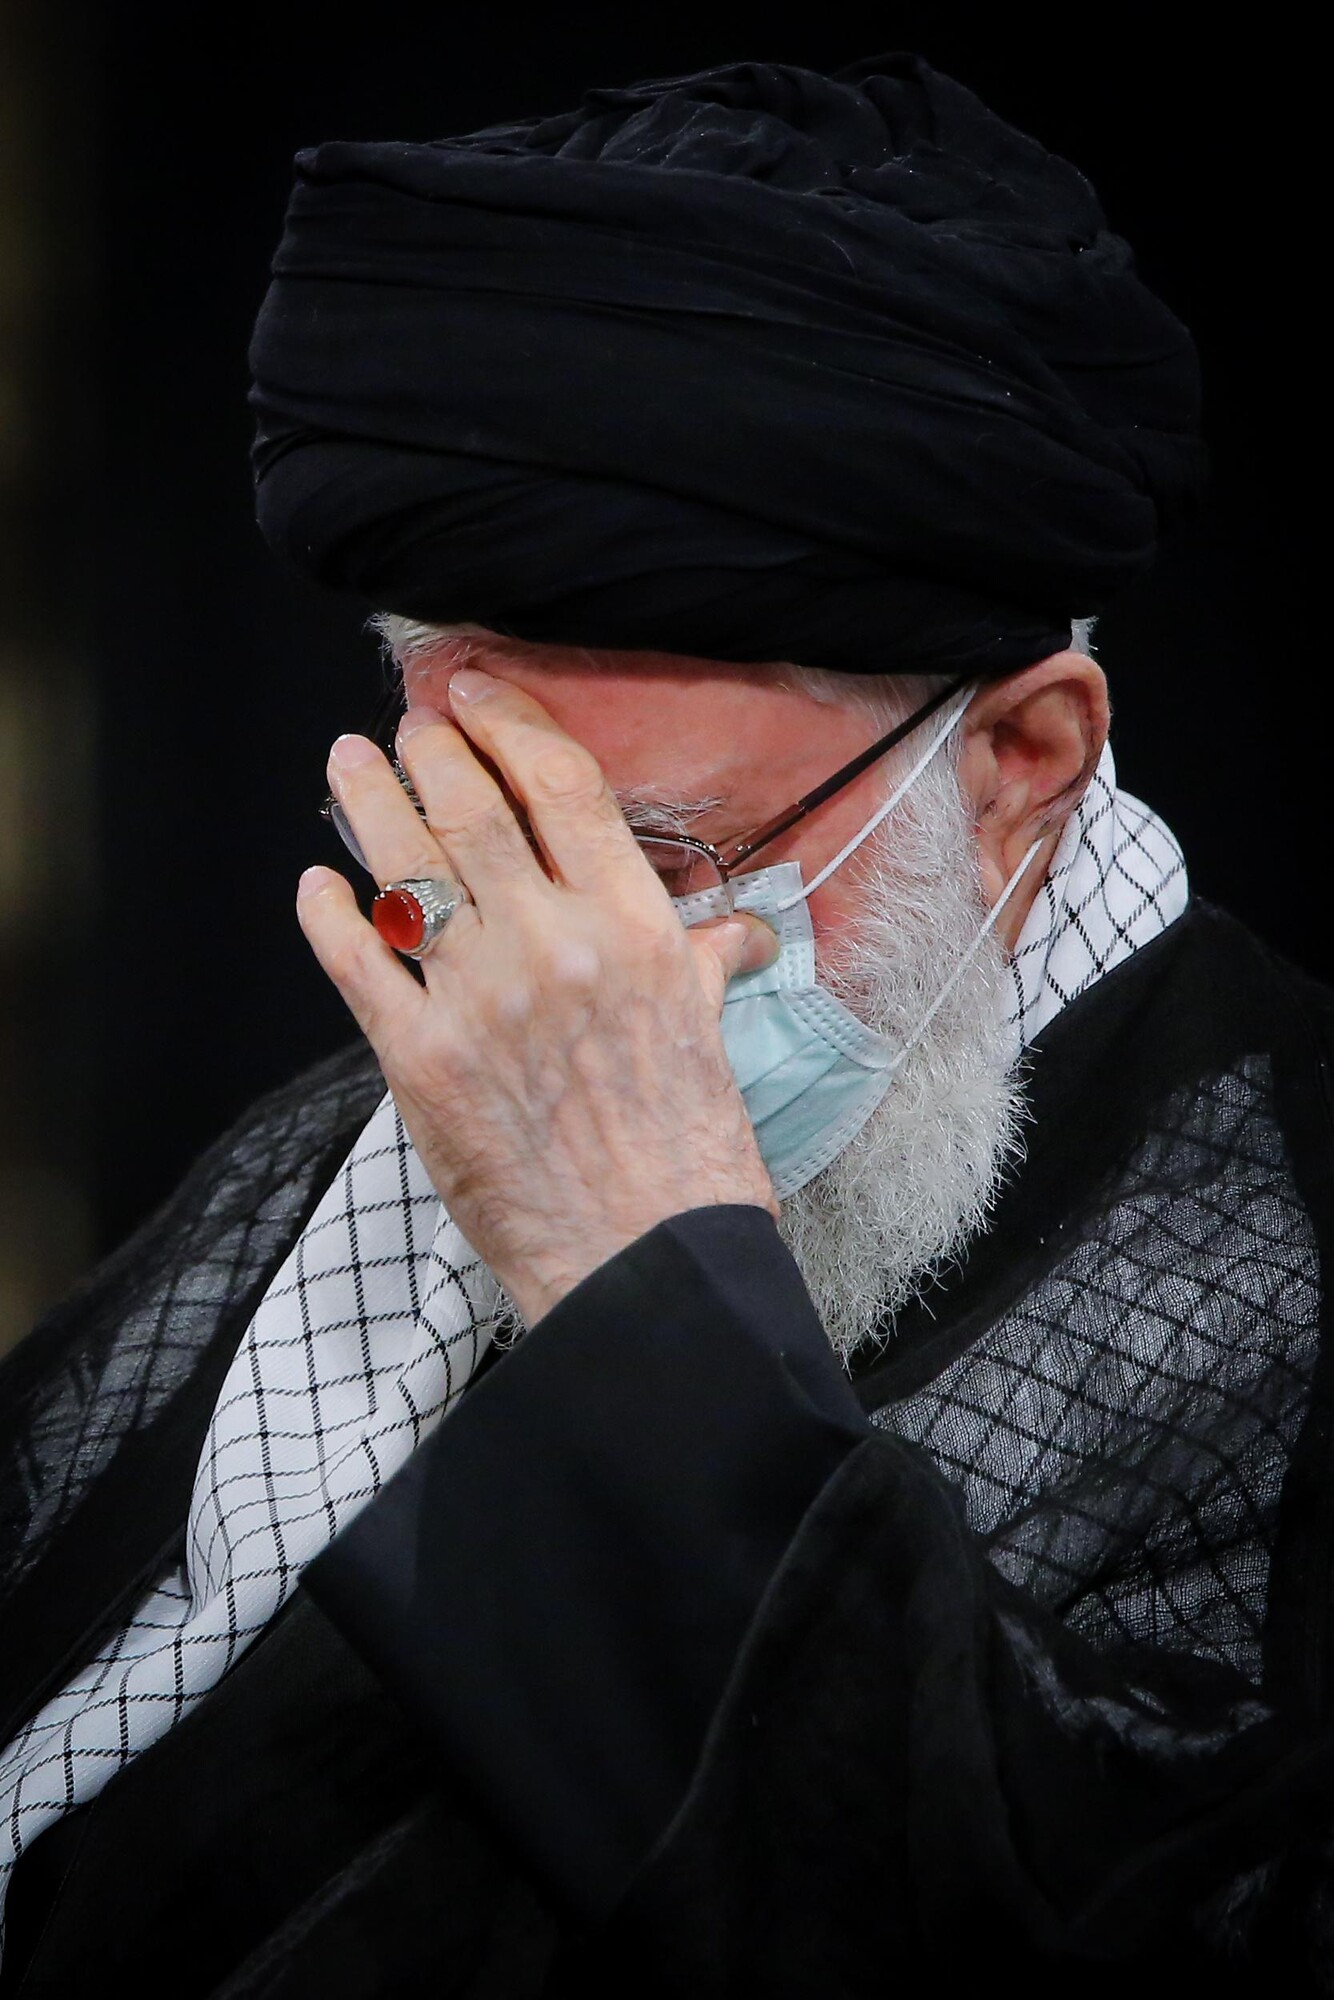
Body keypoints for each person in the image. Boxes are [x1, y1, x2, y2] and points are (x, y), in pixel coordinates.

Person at [2, 51, 1332, 1998]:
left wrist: (633, 1267)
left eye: (648, 859)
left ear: (1021, 767)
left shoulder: (1287, 1246)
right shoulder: (349, 1134)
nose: (549, 973)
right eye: (481, 836)